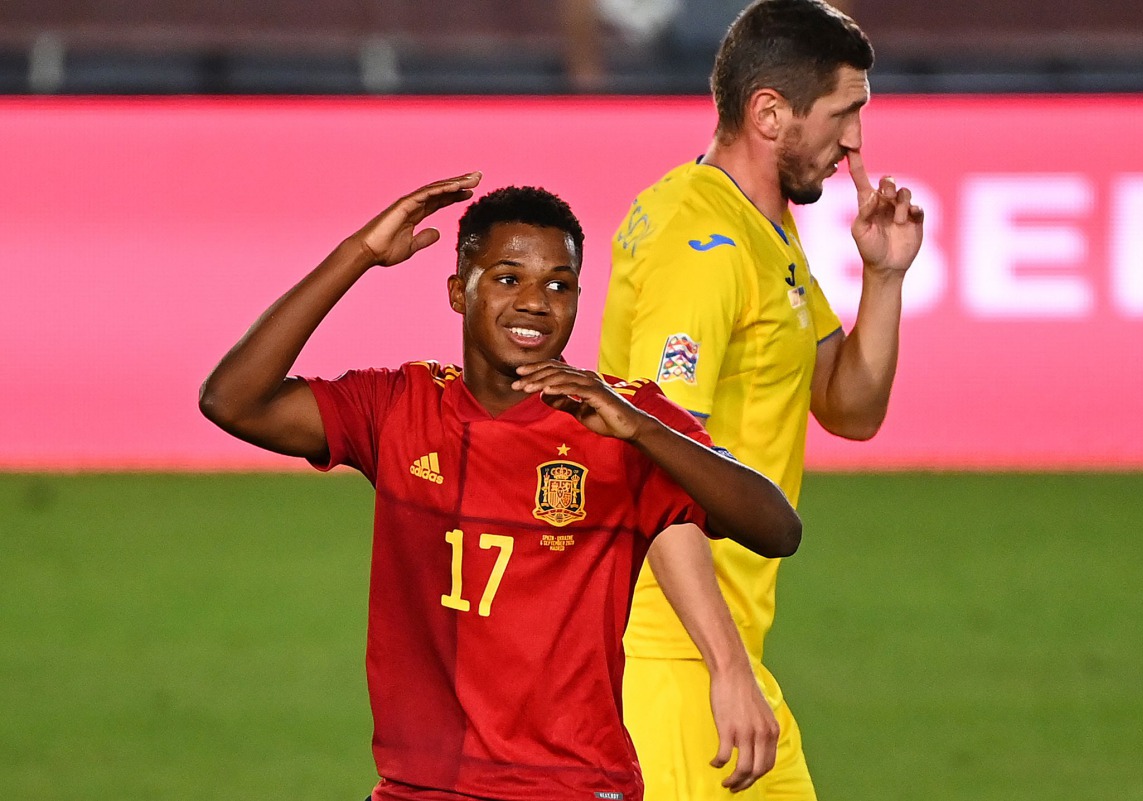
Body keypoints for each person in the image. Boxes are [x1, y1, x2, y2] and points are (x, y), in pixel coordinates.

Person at [198, 172, 803, 801]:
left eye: (558, 285)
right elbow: (232, 400)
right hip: (418, 787)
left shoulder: (618, 420)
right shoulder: (400, 407)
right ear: (460, 291)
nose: (535, 302)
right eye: (509, 278)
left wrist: (645, 432)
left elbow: (777, 529)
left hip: (569, 787)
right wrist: (361, 254)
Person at [597, 1, 925, 799]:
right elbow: (652, 455)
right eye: (844, 115)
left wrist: (883, 277)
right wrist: (726, 668)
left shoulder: (762, 230)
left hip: (724, 654)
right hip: (673, 664)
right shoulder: (700, 244)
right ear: (770, 113)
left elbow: (848, 407)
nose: (855, 142)